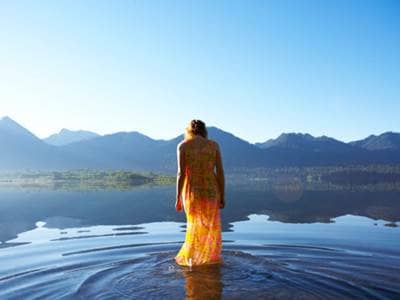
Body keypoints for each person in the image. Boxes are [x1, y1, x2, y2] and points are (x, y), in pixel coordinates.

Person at [175, 119, 225, 266]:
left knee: (194, 227)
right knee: (211, 228)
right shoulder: (213, 145)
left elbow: (181, 174)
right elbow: (220, 172)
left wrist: (178, 197)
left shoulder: (183, 146)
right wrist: (222, 194)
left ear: (189, 131)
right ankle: (211, 260)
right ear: (204, 131)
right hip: (211, 191)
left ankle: (193, 261)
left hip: (192, 193)